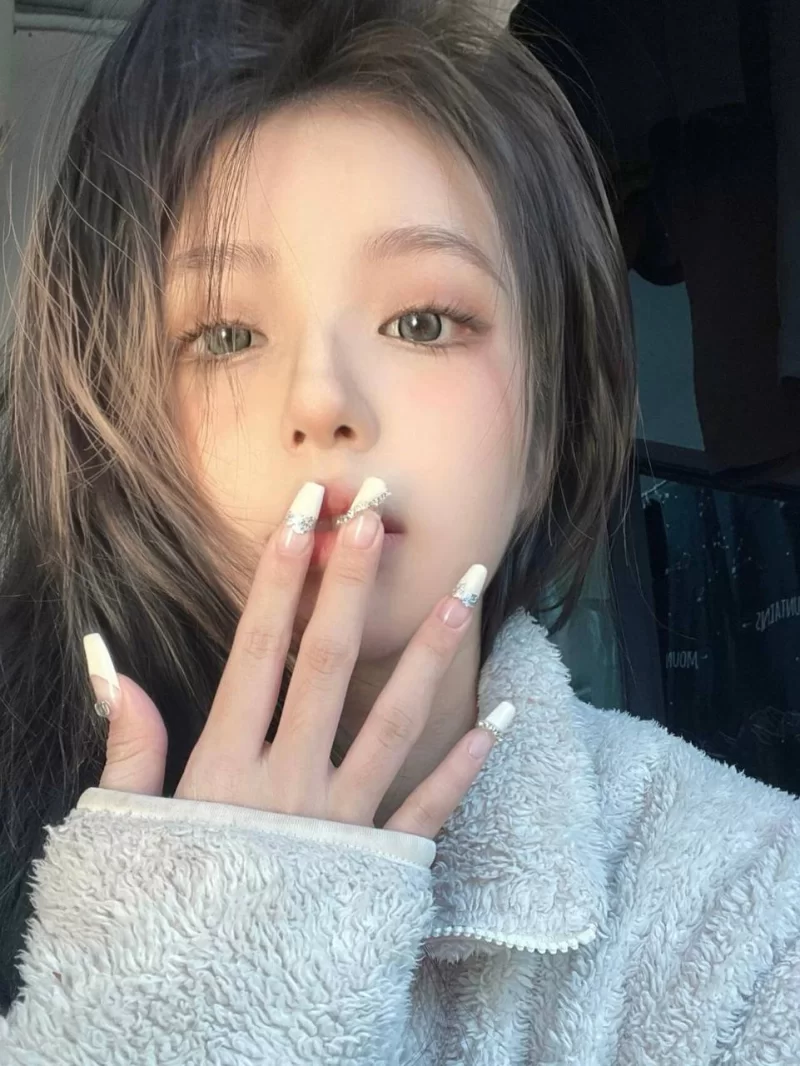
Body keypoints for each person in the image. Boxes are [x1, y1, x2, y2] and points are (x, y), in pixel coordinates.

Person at [0, 0, 798, 1062]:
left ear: (550, 421)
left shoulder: (749, 907)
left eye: (422, 322)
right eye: (224, 334)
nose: (322, 401)